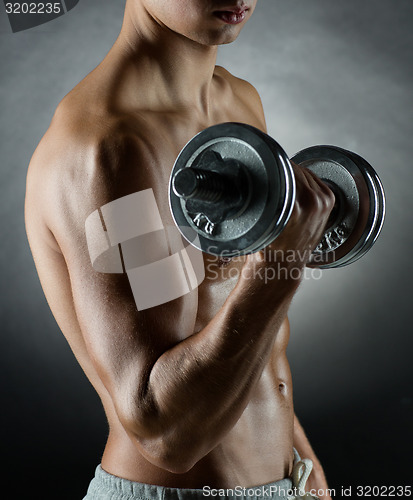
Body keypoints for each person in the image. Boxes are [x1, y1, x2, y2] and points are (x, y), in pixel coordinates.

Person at [25, 1, 335, 499]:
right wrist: (282, 266)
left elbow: (240, 330)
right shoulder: (106, 149)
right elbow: (166, 431)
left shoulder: (238, 103)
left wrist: (299, 457)